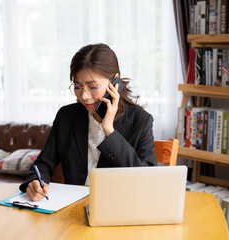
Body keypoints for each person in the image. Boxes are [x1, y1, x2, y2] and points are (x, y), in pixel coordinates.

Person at [19, 43, 157, 201]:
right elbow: (43, 163)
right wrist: (35, 181)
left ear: (114, 81)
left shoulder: (141, 120)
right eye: (78, 86)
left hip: (118, 207)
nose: (83, 96)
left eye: (92, 87)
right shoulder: (67, 116)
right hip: (72, 207)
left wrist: (109, 131)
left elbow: (147, 178)